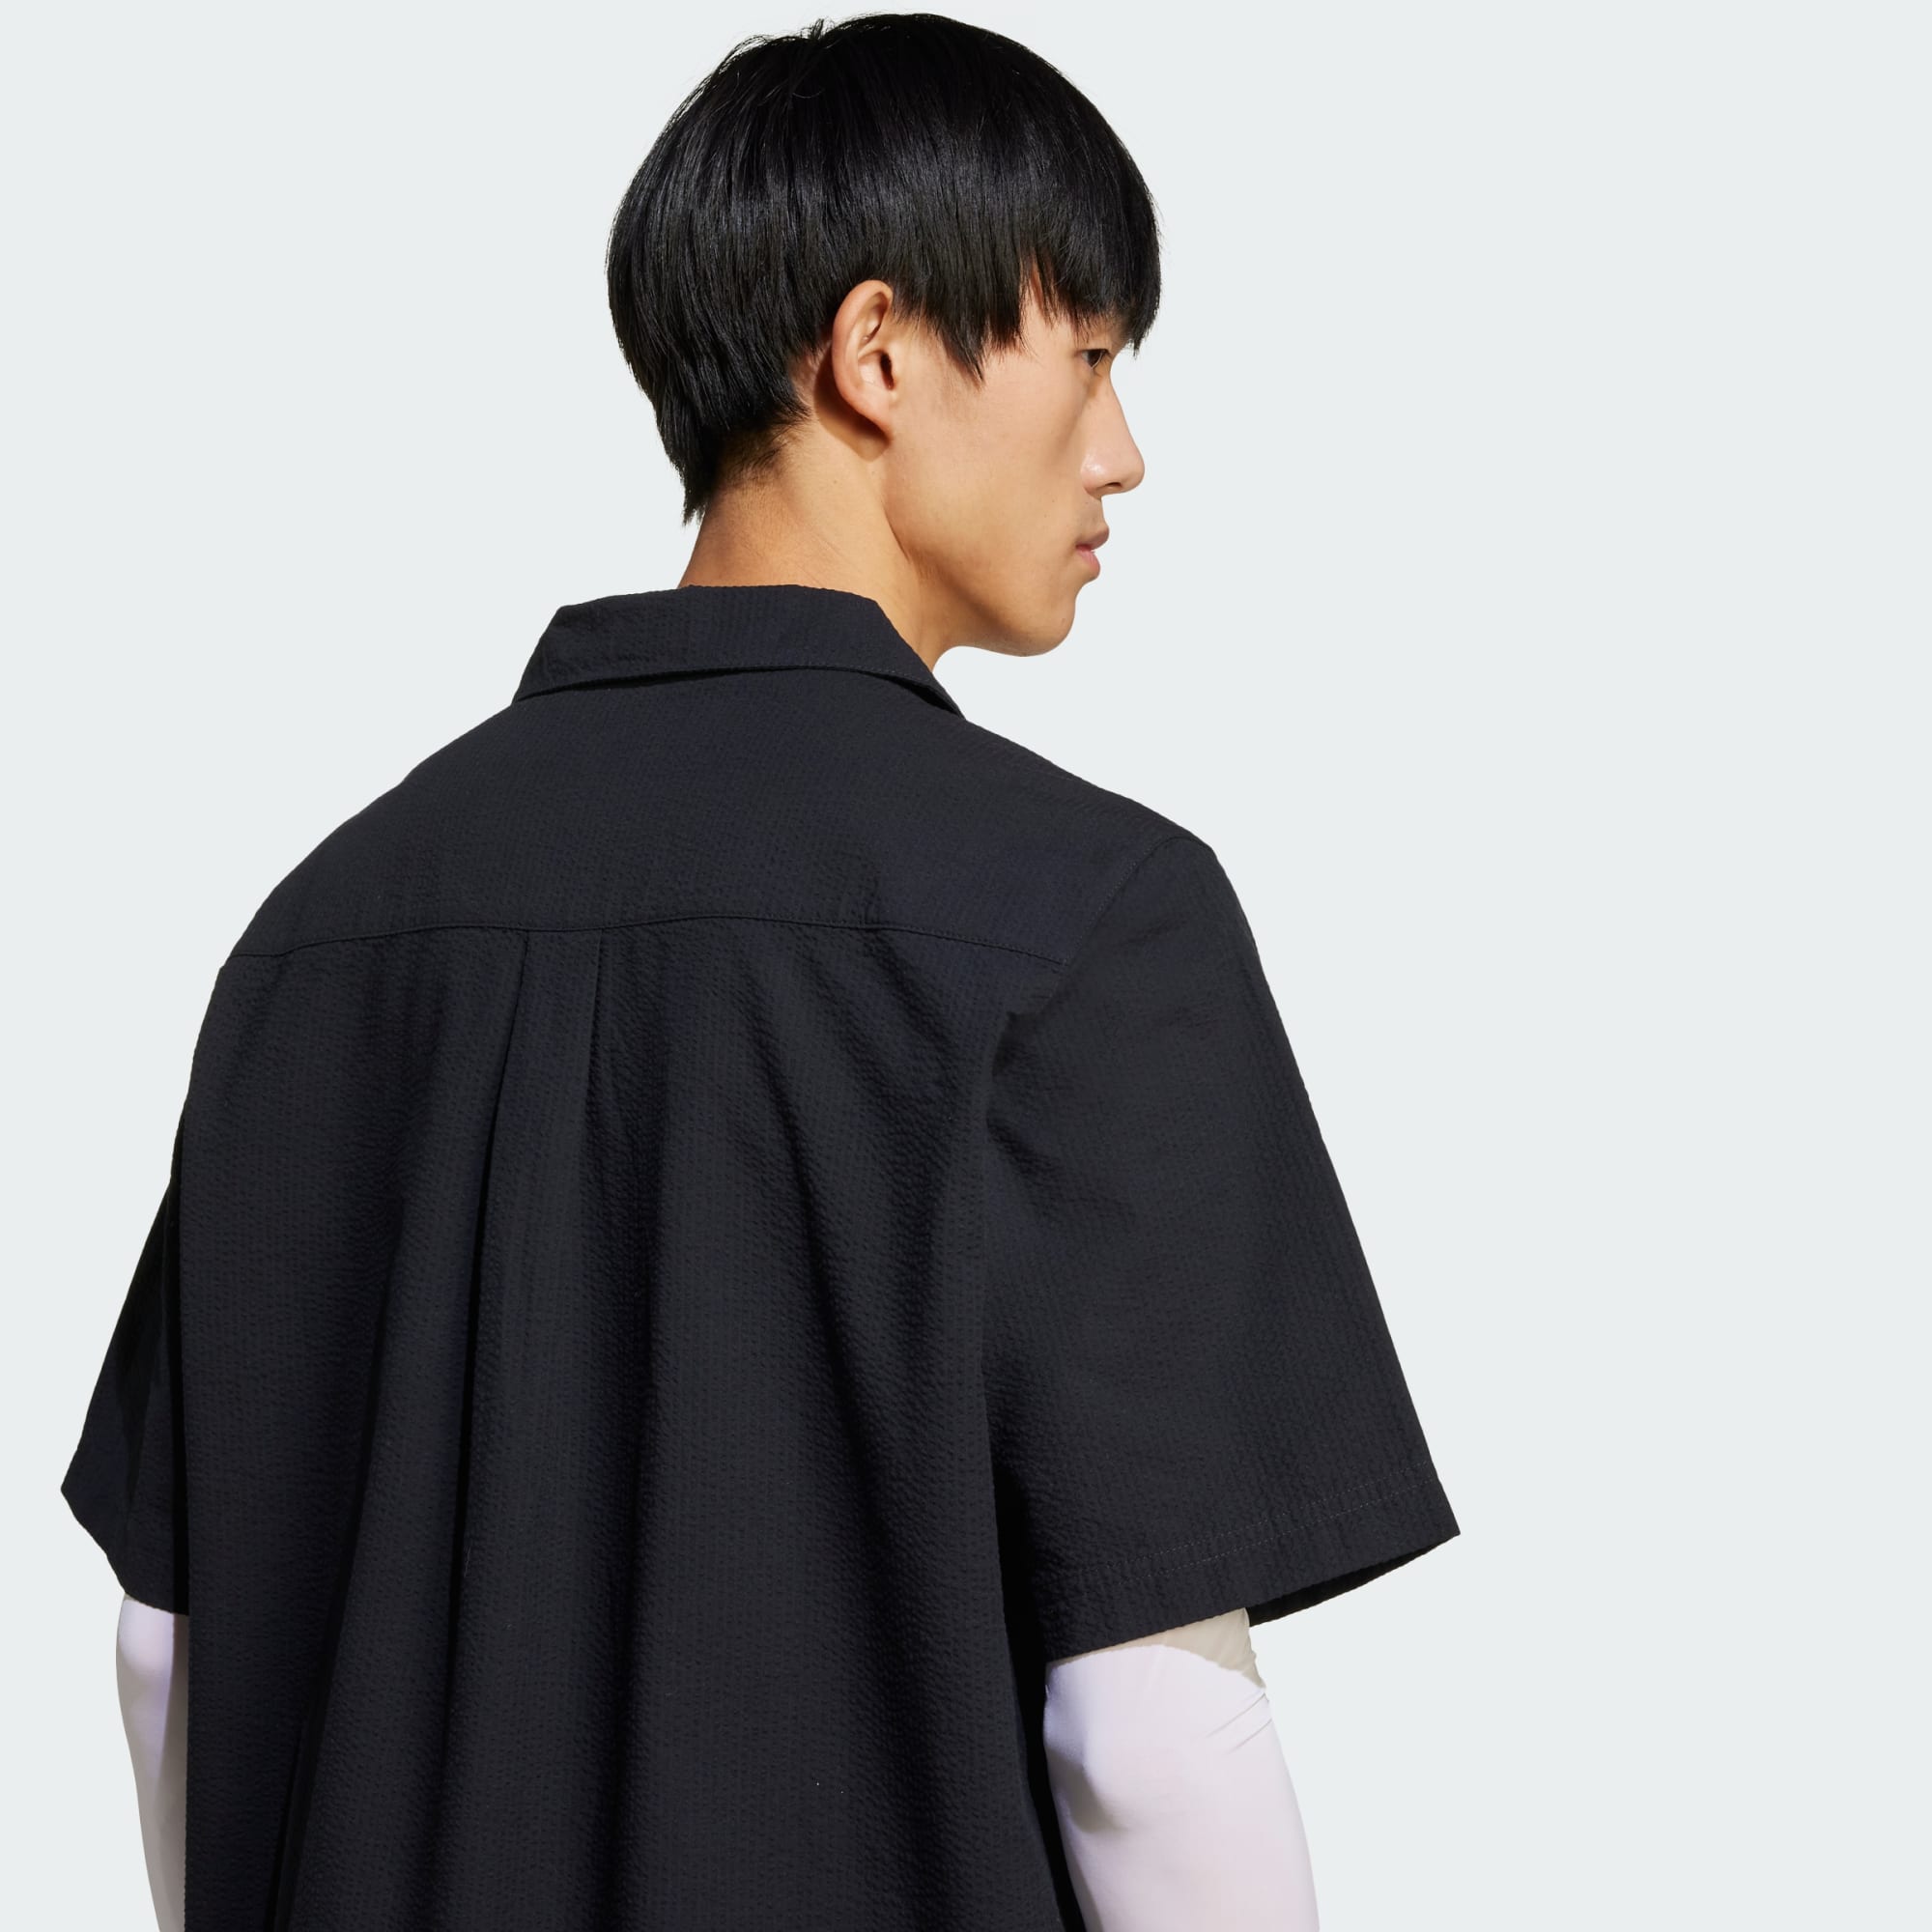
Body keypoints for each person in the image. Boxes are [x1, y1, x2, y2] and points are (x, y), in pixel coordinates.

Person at [62, 14, 1459, 1929]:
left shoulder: (320, 938)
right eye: (1090, 356)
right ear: (879, 353)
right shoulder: (1088, 917)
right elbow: (1145, 1733)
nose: (1122, 453)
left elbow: (169, 1647)